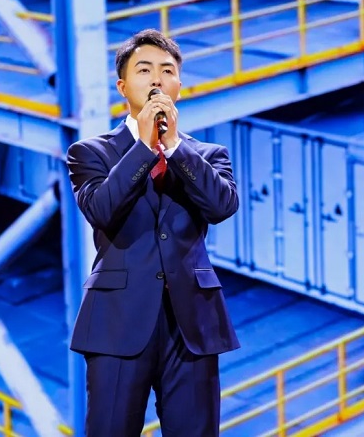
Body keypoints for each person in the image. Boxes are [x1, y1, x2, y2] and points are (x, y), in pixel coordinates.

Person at [65, 28, 240, 436]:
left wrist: (174, 146)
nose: (157, 79)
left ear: (178, 86)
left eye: (167, 71)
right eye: (144, 70)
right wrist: (144, 147)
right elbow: (102, 209)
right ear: (123, 86)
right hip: (117, 322)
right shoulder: (90, 153)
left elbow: (222, 206)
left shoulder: (207, 155)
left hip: (192, 325)